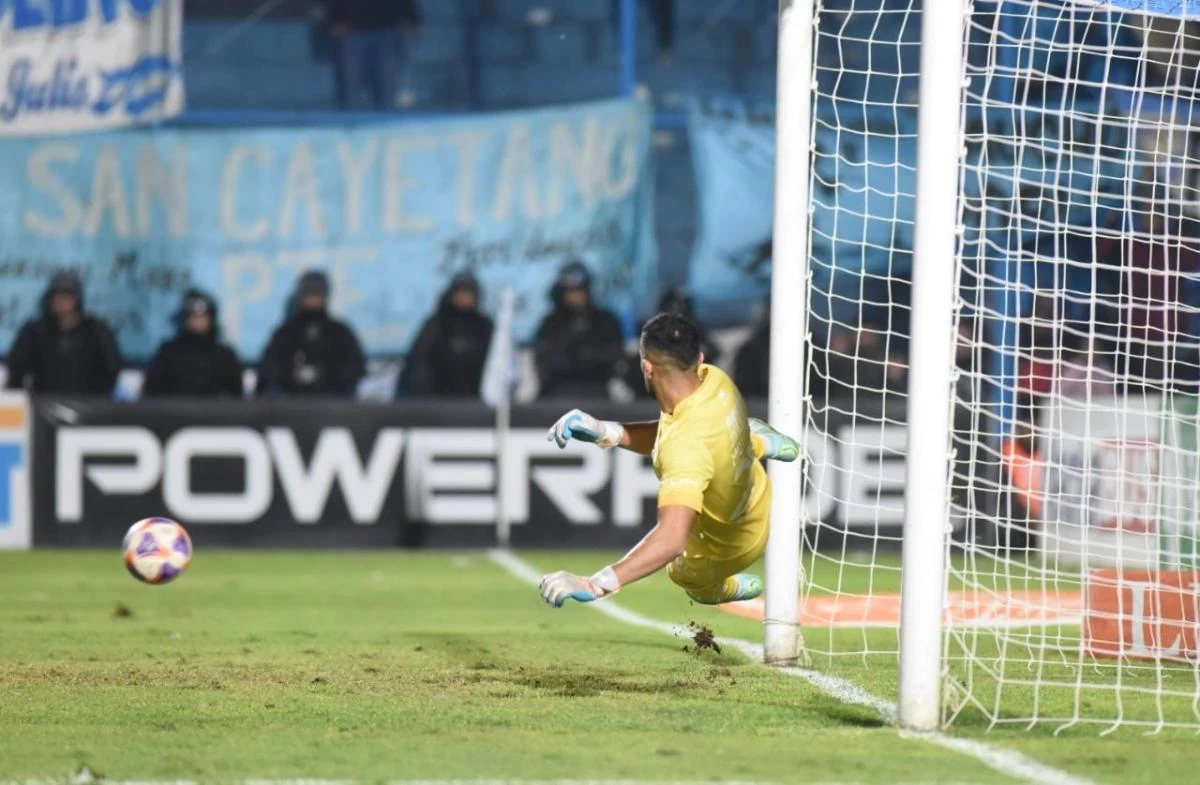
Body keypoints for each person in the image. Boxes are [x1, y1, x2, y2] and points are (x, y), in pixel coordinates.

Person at [537, 312, 800, 609]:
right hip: (754, 490)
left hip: (733, 547)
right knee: (724, 438)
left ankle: (717, 586)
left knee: (682, 572)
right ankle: (758, 441)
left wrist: (596, 583)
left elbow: (671, 540)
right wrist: (606, 431)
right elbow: (673, 432)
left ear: (647, 367)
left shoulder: (684, 448)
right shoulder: (713, 379)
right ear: (699, 358)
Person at [4, 271, 121, 396]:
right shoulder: (35, 331)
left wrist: (98, 401)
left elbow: (112, 369)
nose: (59, 300)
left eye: (66, 295)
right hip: (42, 405)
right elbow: (16, 370)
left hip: (89, 407)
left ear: (77, 298)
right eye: (55, 295)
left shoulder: (97, 331)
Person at [256, 270, 366, 397]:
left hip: (332, 407)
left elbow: (355, 369)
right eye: (309, 294)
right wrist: (293, 373)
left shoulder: (339, 332)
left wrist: (324, 373)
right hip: (290, 406)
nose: (313, 299)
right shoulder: (286, 333)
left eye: (317, 294)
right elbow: (268, 370)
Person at [534, 261, 625, 399]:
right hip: (558, 393)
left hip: (597, 392)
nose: (575, 296)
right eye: (569, 291)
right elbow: (545, 362)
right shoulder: (550, 324)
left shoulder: (605, 321)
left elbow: (615, 359)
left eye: (579, 290)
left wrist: (587, 354)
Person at [399, 271, 494, 397]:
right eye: (461, 293)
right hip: (439, 403)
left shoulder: (484, 326)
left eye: (469, 293)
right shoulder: (437, 325)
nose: (465, 298)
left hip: (475, 402)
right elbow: (420, 364)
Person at [142, 289, 244, 398]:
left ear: (211, 318)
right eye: (192, 315)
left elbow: (237, 398)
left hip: (215, 414)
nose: (197, 320)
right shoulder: (168, 353)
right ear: (184, 318)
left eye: (203, 316)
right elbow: (152, 394)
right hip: (173, 413)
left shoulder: (225, 356)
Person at [326, 0, 421, 110]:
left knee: (387, 80)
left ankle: (387, 116)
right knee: (353, 80)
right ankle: (354, 116)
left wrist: (414, 21)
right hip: (355, 32)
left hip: (387, 31)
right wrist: (334, 21)